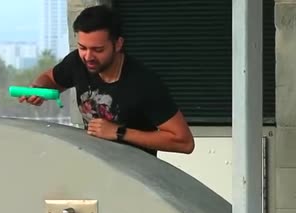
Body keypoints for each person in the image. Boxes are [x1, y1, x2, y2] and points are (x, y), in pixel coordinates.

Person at [19, 5, 194, 156]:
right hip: (95, 166)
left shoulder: (144, 84)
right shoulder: (76, 62)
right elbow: (50, 78)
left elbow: (184, 142)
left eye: (98, 49)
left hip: (136, 177)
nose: (88, 56)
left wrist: (119, 133)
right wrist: (39, 87)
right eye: (82, 47)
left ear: (118, 44)